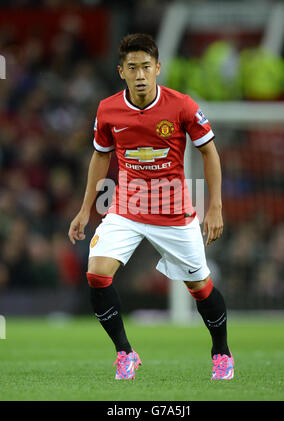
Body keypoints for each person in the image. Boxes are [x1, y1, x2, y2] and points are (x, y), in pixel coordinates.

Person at [68, 33, 234, 380]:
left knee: (200, 288)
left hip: (174, 214)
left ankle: (221, 353)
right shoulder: (108, 109)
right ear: (121, 71)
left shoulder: (182, 105)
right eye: (133, 68)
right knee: (97, 275)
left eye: (146, 66)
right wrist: (86, 209)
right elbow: (100, 157)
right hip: (126, 209)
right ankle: (125, 353)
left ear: (158, 68)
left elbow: (209, 152)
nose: (140, 74)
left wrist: (214, 207)